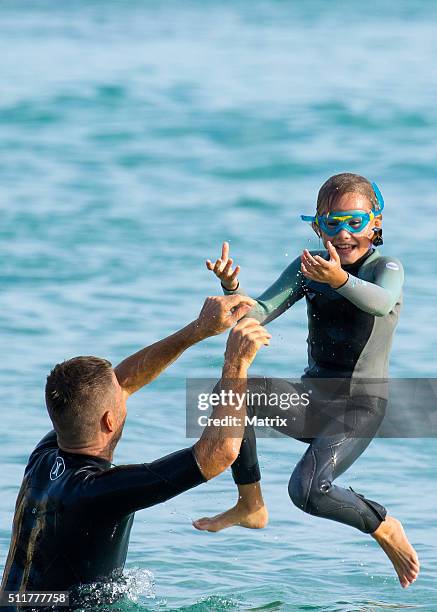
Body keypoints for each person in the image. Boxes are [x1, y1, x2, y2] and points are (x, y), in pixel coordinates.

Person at [194, 173, 420, 589]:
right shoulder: (308, 268)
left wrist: (340, 280)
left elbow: (382, 301)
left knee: (308, 492)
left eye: (355, 221)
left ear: (377, 223)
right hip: (312, 402)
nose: (344, 233)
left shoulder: (386, 267)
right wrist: (233, 290)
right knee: (230, 393)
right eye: (332, 223)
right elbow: (258, 311)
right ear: (317, 227)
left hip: (360, 406)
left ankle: (384, 525)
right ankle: (250, 503)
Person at [1, 294, 271, 603]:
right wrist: (236, 364)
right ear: (109, 421)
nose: (126, 391)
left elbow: (122, 382)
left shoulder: (45, 455)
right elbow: (219, 453)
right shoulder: (98, 492)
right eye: (121, 397)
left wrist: (198, 329)